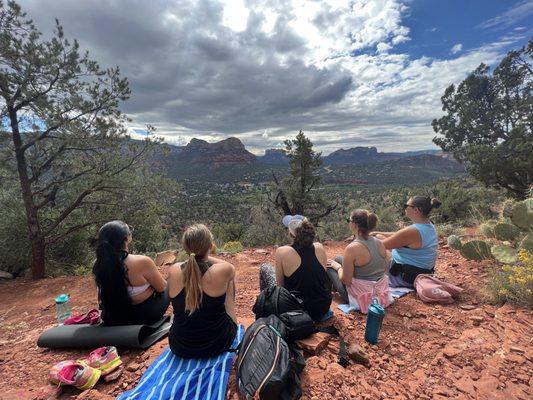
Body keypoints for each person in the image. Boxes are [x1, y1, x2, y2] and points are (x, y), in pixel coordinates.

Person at [168, 224, 237, 358]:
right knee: (229, 280)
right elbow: (229, 267)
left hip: (179, 346)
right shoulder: (223, 270)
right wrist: (204, 255)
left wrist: (195, 256)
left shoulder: (174, 270)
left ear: (186, 248)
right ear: (210, 245)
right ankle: (232, 319)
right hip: (217, 344)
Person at [93, 221, 169, 326]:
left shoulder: (98, 264)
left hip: (112, 317)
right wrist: (148, 289)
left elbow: (101, 296)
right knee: (168, 284)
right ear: (127, 239)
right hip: (141, 316)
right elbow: (161, 288)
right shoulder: (142, 262)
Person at [259, 216, 332, 322]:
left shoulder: (282, 251)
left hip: (296, 312)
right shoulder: (319, 247)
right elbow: (321, 279)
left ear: (291, 234)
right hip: (322, 308)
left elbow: (280, 288)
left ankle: (266, 310)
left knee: (265, 267)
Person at [327, 209, 392, 312]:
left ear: (354, 224)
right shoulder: (379, 243)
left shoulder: (352, 248)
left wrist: (337, 267)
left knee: (330, 266)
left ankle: (328, 293)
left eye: (349, 220)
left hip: (361, 298)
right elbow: (382, 269)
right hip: (379, 292)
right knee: (339, 258)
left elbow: (347, 281)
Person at [372, 196, 441, 288]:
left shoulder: (413, 231)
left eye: (406, 205)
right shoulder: (427, 226)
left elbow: (380, 246)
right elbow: (398, 235)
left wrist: (361, 238)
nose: (404, 208)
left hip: (403, 277)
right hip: (418, 273)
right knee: (378, 236)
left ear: (416, 210)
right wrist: (377, 232)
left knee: (375, 245)